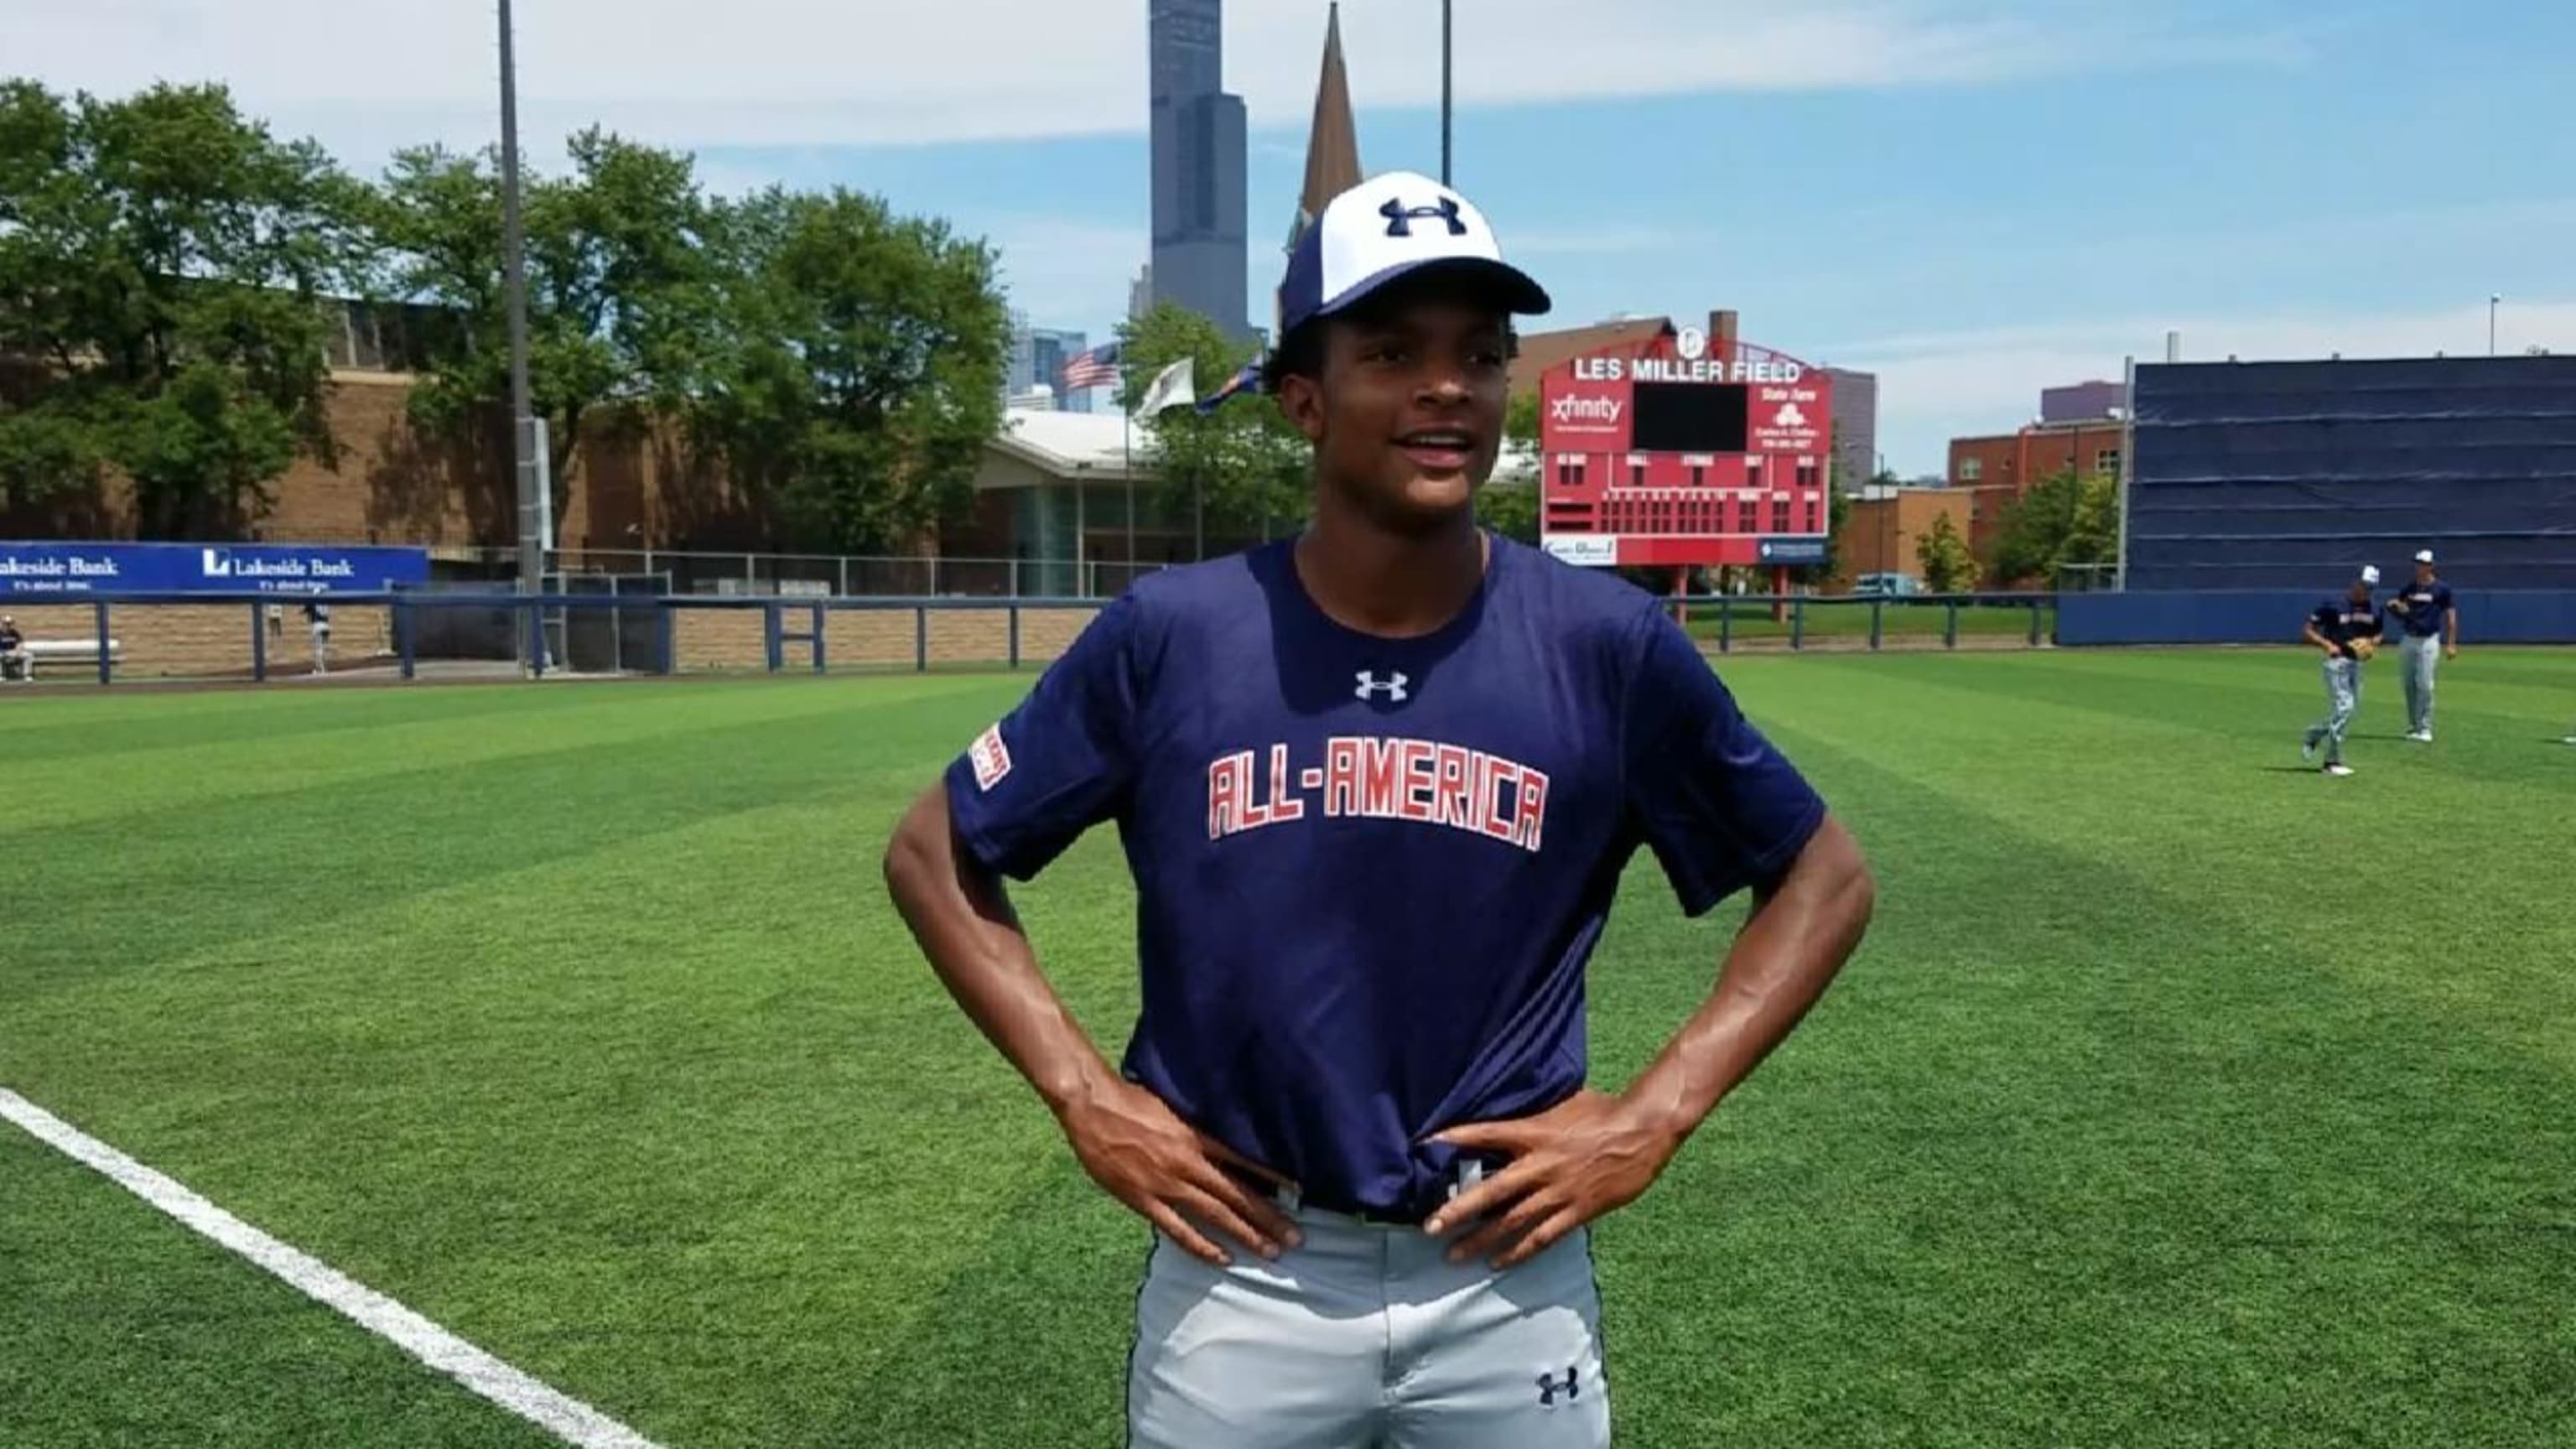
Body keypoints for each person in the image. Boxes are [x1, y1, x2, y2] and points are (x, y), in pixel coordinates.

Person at [881, 170, 1877, 1448]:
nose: (1445, 386)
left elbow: (1825, 877)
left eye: (1477, 354)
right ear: (1305, 398)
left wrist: (1656, 1112)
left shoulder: (1603, 644)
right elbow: (936, 851)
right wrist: (1085, 1096)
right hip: (1248, 1270)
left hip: (1506, 1274)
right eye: (1393, 352)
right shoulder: (1174, 637)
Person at [2301, 565, 2385, 777]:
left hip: (2357, 665)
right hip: (2336, 663)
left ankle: (2315, 734)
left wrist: (2371, 643)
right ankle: (2331, 761)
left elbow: (2378, 634)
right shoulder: (2333, 605)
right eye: (2365, 585)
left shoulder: (2374, 609)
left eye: (2371, 587)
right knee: (2345, 708)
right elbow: (2308, 630)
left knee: (2348, 711)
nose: (2366, 590)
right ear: (2356, 581)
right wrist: (2326, 645)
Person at [2385, 548, 2457, 742]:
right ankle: (2413, 726)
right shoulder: (2409, 588)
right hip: (2409, 638)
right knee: (2409, 684)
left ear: (2431, 566)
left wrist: (2451, 644)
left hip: (2428, 640)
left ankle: (2425, 727)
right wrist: (2394, 606)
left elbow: (2450, 616)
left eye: (2424, 564)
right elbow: (2398, 608)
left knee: (2425, 684)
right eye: (2418, 563)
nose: (2420, 567)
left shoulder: (2442, 589)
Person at [302, 598, 331, 675]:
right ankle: (323, 668)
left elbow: (306, 609)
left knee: (318, 648)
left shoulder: (313, 601)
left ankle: (320, 669)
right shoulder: (325, 603)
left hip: (317, 625)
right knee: (323, 648)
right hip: (326, 626)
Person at [0, 614, 25, 683]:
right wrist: (3, 652)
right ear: (3, 624)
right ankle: (1, 676)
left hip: (13, 652)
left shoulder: (14, 633)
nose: (8, 625)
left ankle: (27, 675)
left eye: (9, 624)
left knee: (28, 655)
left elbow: (20, 643)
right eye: (6, 624)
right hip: (2, 652)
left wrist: (18, 651)